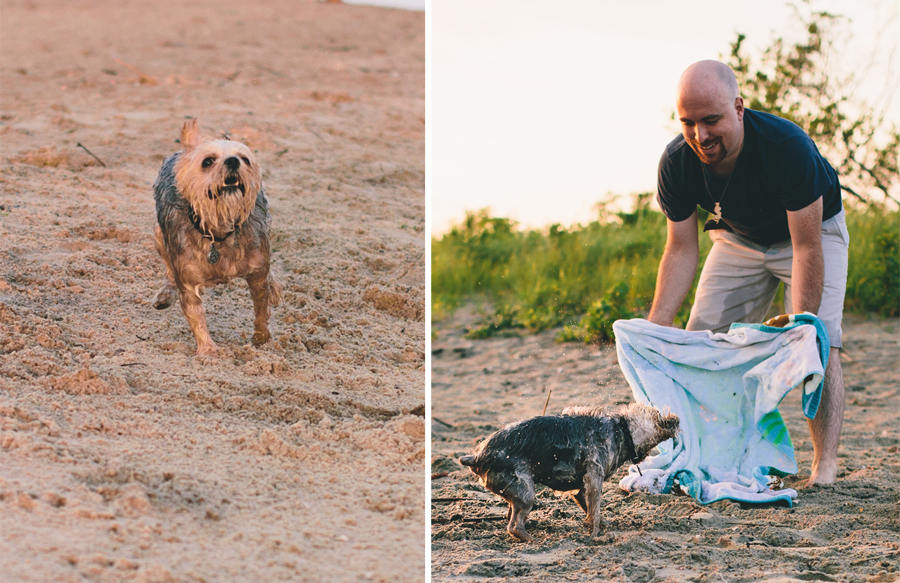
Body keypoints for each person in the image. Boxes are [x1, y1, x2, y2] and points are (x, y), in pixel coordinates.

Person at [647, 60, 849, 486]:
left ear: (738, 108)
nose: (700, 135)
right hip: (738, 238)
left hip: (811, 235)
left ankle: (824, 468)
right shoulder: (677, 163)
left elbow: (807, 247)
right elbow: (681, 249)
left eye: (711, 120)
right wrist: (657, 330)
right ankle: (708, 452)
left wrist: (803, 327)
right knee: (700, 342)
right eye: (689, 123)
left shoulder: (786, 147)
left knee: (819, 342)